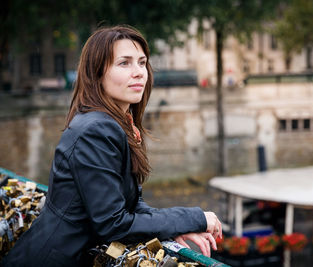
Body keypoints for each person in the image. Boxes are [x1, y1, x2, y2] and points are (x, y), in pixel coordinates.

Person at [2, 25, 222, 266]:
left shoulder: (110, 123)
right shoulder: (96, 130)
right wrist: (195, 218)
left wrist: (175, 225)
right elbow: (113, 224)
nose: (139, 72)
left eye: (142, 62)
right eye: (124, 63)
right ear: (97, 73)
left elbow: (130, 205)